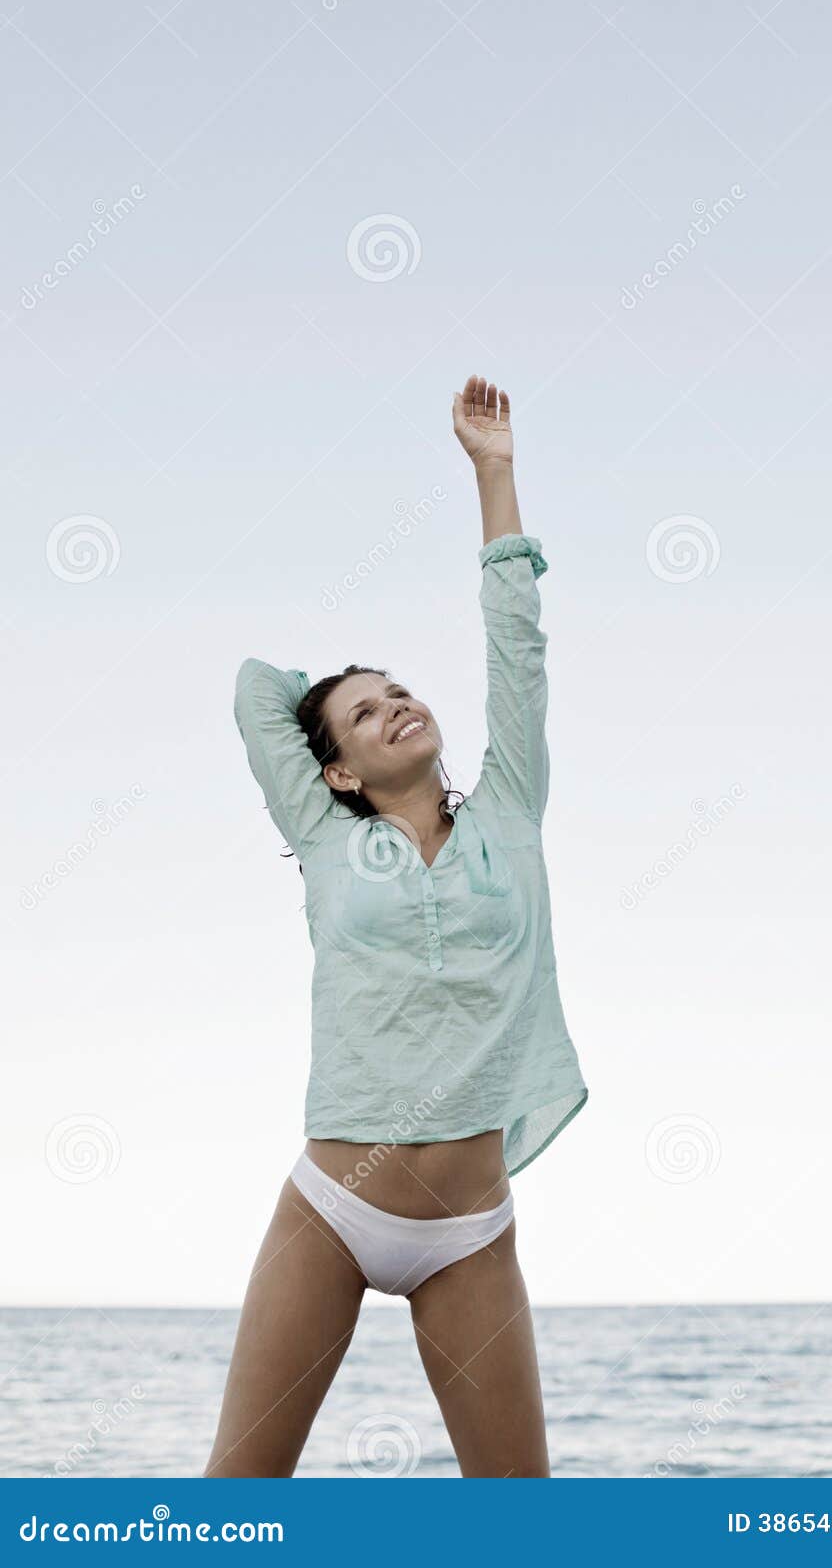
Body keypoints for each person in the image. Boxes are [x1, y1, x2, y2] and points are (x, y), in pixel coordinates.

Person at [204, 374, 588, 1478]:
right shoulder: (329, 843)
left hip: (467, 1230)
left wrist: (492, 473)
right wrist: (323, 696)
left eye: (401, 690)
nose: (395, 706)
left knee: (517, 1525)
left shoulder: (508, 813)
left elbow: (516, 645)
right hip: (330, 1208)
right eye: (365, 712)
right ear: (334, 767)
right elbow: (250, 687)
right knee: (233, 1506)